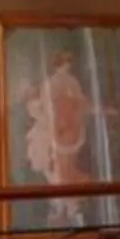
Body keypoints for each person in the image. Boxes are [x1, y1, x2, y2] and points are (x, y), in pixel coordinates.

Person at [24, 49, 94, 227]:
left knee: (67, 170)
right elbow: (46, 106)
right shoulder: (51, 83)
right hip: (55, 130)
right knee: (57, 170)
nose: (67, 66)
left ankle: (69, 209)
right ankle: (63, 209)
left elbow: (80, 102)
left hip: (69, 130)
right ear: (57, 65)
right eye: (64, 62)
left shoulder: (72, 82)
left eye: (69, 63)